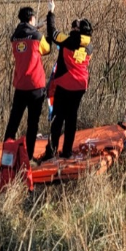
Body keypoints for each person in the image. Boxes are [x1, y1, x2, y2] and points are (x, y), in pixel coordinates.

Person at [40, 12, 93, 160]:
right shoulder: (89, 46)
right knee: (72, 118)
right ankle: (67, 152)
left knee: (58, 118)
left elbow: (53, 32)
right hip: (80, 86)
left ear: (77, 30)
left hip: (65, 84)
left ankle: (51, 152)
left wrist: (51, 13)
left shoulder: (68, 41)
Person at [4, 3, 52, 160]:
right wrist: (51, 14)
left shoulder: (14, 37)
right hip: (35, 86)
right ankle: (29, 158)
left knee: (13, 123)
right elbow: (47, 49)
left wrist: (34, 28)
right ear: (32, 18)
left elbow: (25, 39)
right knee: (32, 124)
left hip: (20, 85)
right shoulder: (37, 37)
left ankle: (6, 156)